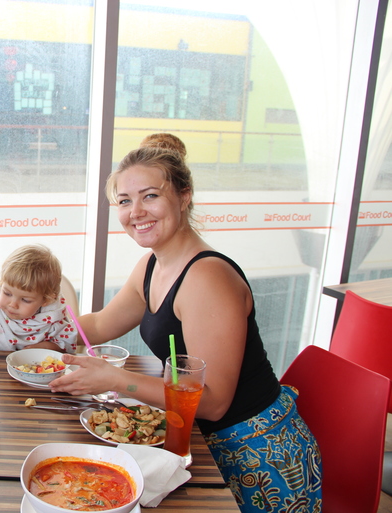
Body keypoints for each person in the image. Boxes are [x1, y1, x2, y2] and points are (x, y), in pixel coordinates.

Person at [49, 142, 322, 511]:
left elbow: (213, 402)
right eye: (125, 201)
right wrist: (35, 329)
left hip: (257, 455)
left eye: (150, 196)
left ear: (184, 196)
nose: (136, 211)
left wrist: (115, 379)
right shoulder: (152, 265)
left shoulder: (208, 277)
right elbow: (99, 324)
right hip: (198, 441)